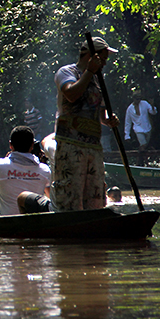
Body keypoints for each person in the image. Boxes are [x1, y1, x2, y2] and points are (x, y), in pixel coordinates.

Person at [52, 36, 120, 212]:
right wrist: (89, 72)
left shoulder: (99, 81)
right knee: (70, 195)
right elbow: (71, 94)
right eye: (102, 59)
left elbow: (101, 114)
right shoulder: (67, 72)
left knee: (96, 196)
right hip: (70, 143)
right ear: (91, 56)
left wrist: (109, 120)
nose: (104, 64)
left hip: (93, 146)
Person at [0, 126, 52, 215]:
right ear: (32, 145)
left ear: (10, 145)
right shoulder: (44, 169)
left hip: (8, 223)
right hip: (34, 222)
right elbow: (51, 196)